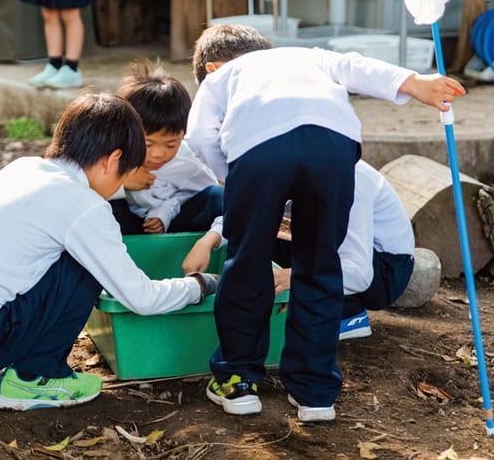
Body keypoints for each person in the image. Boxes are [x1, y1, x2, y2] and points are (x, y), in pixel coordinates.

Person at [185, 24, 465, 423]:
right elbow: (355, 67)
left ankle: (238, 382)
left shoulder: (221, 78)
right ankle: (315, 395)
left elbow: (199, 135)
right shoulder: (307, 55)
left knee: (247, 263)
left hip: (258, 150)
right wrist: (413, 82)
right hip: (332, 146)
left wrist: (232, 175)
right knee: (320, 267)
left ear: (211, 70)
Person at [0, 93, 219, 410]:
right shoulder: (82, 205)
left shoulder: (25, 169)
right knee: (83, 264)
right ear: (112, 160)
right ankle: (35, 377)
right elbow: (141, 299)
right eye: (125, 172)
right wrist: (199, 286)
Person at [271, 160, 416, 341]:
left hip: (385, 270)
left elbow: (359, 272)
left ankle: (346, 311)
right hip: (339, 251)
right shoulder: (289, 166)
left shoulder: (351, 180)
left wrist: (296, 277)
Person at [109, 61, 226, 270]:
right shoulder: (113, 151)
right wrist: (122, 184)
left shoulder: (188, 161)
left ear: (183, 134)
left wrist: (166, 212)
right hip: (125, 231)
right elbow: (78, 190)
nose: (158, 154)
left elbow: (224, 204)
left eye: (171, 144)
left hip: (171, 228)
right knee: (105, 205)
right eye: (148, 143)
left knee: (218, 195)